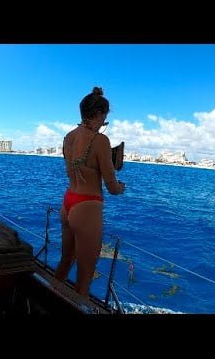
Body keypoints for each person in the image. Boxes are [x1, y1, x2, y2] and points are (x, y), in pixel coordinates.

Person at [54, 87, 125, 297]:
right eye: (105, 118)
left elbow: (74, 169)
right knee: (84, 281)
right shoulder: (100, 141)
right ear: (100, 114)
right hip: (87, 207)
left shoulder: (68, 137)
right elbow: (112, 188)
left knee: (65, 262)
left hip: (68, 202)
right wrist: (121, 187)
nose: (104, 123)